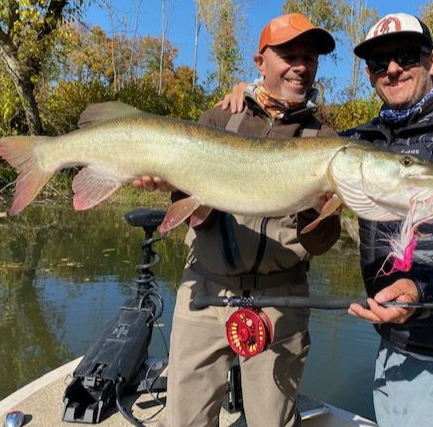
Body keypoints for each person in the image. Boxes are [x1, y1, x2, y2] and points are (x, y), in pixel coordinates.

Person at [219, 11, 433, 427]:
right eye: (377, 62)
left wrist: (423, 290)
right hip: (395, 337)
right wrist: (255, 98)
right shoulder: (371, 139)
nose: (391, 68)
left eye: (406, 55)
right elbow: (294, 142)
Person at [136, 13, 341, 427]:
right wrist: (169, 185)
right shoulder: (219, 119)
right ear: (260, 61)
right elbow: (197, 217)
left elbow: (322, 242)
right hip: (204, 289)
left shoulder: (325, 140)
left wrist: (313, 205)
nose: (302, 66)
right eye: (289, 55)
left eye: (310, 57)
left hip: (281, 299)